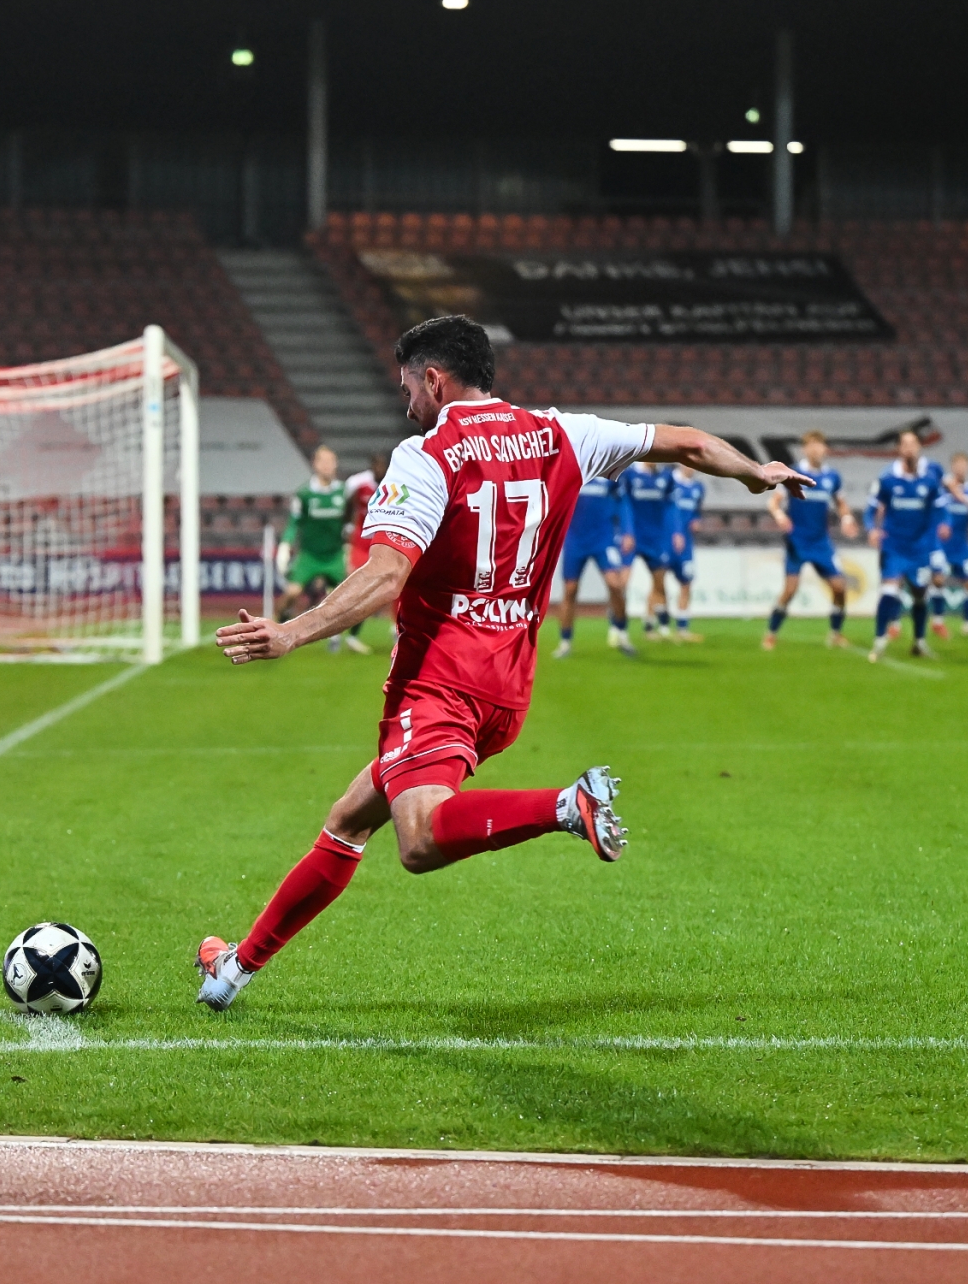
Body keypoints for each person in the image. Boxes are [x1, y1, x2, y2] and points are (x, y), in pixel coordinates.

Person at [198, 316, 812, 1010]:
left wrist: (291, 633)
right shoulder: (562, 432)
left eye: (408, 387)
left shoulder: (427, 455)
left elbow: (386, 573)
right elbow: (688, 443)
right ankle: (233, 970)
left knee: (418, 839)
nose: (407, 404)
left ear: (435, 380)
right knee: (349, 818)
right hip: (508, 689)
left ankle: (567, 805)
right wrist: (756, 473)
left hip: (439, 682)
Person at [763, 430, 856, 650]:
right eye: (811, 446)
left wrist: (847, 518)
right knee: (790, 590)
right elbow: (773, 502)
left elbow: (841, 503)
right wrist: (780, 516)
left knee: (839, 587)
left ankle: (835, 633)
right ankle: (771, 633)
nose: (816, 450)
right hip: (797, 541)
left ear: (825, 449)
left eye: (819, 445)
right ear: (805, 449)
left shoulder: (832, 477)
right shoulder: (793, 473)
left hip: (821, 542)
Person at [865, 430, 944, 662]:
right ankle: (879, 641)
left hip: (920, 548)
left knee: (920, 593)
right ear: (899, 449)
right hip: (894, 546)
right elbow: (870, 510)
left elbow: (942, 508)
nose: (909, 448)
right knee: (890, 590)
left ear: (919, 447)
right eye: (905, 444)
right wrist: (872, 529)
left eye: (913, 443)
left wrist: (945, 524)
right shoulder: (887, 478)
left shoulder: (930, 479)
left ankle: (919, 642)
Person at [553, 466, 637, 658]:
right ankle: (565, 642)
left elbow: (623, 503)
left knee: (615, 585)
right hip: (575, 540)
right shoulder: (572, 471)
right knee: (570, 590)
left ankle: (621, 632)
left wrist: (628, 532)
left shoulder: (610, 474)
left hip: (604, 539)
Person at [277, 444, 351, 652]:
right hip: (309, 554)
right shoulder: (304, 494)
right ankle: (280, 619)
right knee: (292, 592)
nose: (327, 465)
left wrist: (350, 546)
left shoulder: (344, 492)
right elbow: (294, 522)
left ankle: (334, 637)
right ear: (315, 464)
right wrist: (285, 544)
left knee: (342, 597)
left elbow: (351, 521)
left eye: (331, 461)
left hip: (335, 554)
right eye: (323, 461)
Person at [930, 452, 968, 638]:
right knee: (938, 579)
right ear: (952, 467)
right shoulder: (942, 488)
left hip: (961, 544)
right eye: (957, 465)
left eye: (964, 465)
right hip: (940, 544)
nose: (960, 468)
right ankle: (938, 621)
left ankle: (967, 623)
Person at [338, 452, 389, 656]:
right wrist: (346, 529)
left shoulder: (392, 485)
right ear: (371, 467)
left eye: (382, 465)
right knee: (354, 587)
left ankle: (353, 635)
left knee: (375, 590)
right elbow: (348, 507)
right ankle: (336, 632)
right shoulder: (360, 485)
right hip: (360, 542)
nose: (380, 469)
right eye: (377, 465)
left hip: (379, 543)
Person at [619, 459, 676, 639]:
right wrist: (626, 532)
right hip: (633, 537)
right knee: (622, 583)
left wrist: (675, 532)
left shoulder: (666, 476)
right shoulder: (629, 474)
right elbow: (623, 504)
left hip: (656, 539)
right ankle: (618, 627)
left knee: (659, 583)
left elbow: (670, 506)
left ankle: (652, 625)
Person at [662, 464, 705, 643]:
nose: (691, 467)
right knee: (658, 581)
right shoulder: (668, 481)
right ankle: (654, 626)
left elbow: (697, 512)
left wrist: (696, 520)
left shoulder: (698, 488)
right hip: (665, 540)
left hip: (686, 544)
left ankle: (682, 628)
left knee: (686, 582)